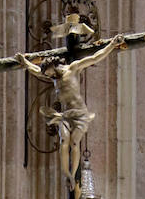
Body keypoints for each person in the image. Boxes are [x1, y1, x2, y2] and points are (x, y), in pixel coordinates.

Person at [15, 29, 129, 190]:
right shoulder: (53, 76)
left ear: (54, 66)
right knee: (63, 141)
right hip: (65, 115)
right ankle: (67, 175)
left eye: (50, 73)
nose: (50, 77)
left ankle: (75, 175)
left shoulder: (73, 68)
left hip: (80, 114)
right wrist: (24, 62)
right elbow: (35, 71)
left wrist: (111, 45)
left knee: (75, 143)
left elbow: (95, 57)